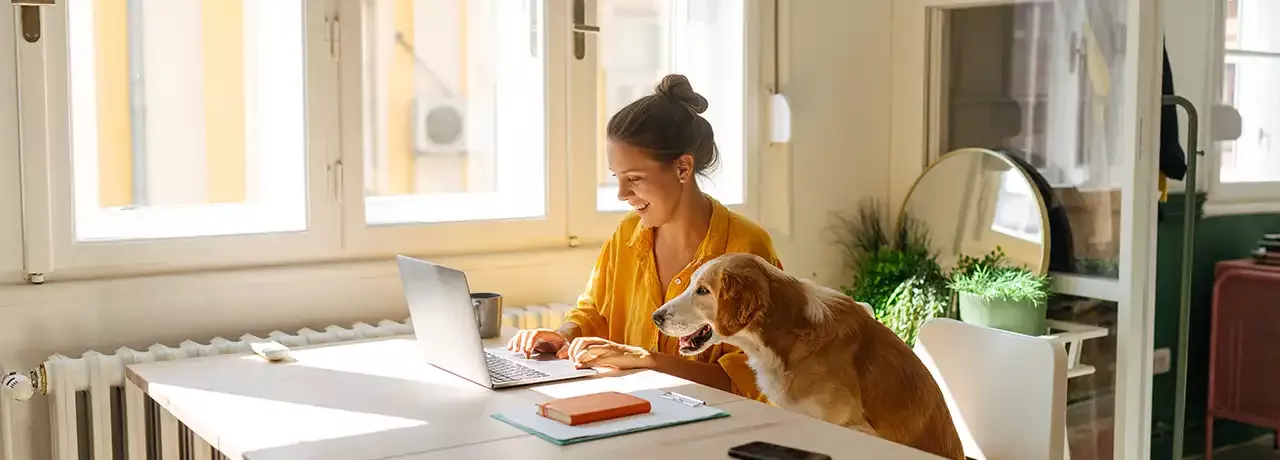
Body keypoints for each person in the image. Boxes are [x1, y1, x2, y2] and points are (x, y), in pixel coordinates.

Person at [506, 74, 782, 400]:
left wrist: (649, 361)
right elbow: (595, 312)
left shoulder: (746, 249)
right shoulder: (626, 235)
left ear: (683, 168)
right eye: (617, 178)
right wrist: (562, 335)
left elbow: (749, 380)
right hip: (630, 411)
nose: (622, 193)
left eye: (634, 178)